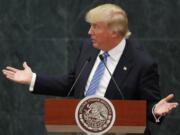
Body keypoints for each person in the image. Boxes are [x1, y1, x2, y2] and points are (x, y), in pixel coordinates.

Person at [2, 3, 178, 135]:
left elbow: (147, 105)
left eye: (95, 27)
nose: (89, 32)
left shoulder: (142, 63)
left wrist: (154, 110)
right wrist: (33, 79)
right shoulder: (88, 49)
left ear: (114, 32)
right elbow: (70, 84)